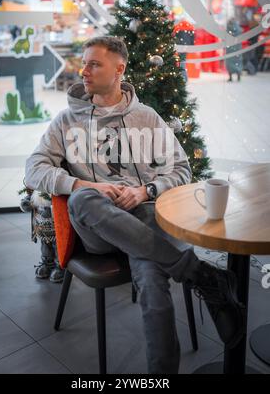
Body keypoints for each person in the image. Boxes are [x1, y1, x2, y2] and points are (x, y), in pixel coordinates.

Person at [25, 36, 245, 374]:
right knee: (84, 199)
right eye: (84, 63)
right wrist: (86, 183)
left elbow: (182, 169)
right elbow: (34, 168)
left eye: (94, 64)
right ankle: (198, 273)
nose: (83, 71)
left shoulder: (146, 117)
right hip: (97, 228)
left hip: (143, 218)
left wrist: (146, 190)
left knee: (153, 281)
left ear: (119, 69)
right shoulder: (66, 121)